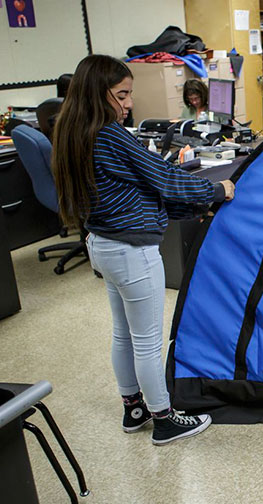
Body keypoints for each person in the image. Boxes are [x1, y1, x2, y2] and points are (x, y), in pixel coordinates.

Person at [52, 55, 236, 446]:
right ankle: (165, 419)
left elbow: (137, 190)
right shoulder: (109, 135)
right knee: (148, 340)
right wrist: (216, 191)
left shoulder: (74, 132)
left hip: (102, 245)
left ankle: (133, 408)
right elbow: (164, 179)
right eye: (123, 94)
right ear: (99, 94)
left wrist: (196, 205)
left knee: (124, 335)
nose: (130, 103)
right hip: (132, 252)